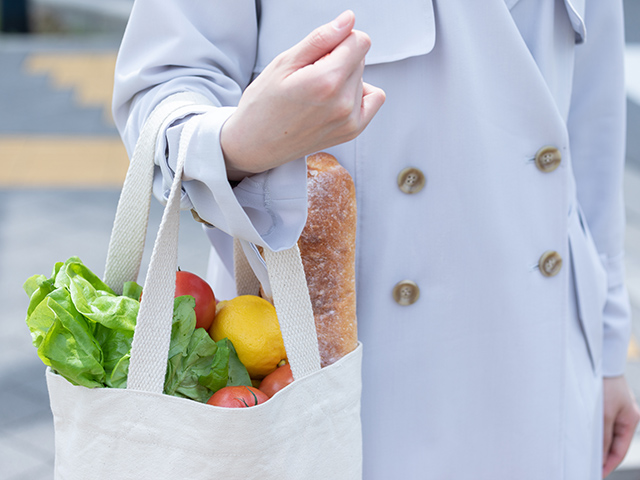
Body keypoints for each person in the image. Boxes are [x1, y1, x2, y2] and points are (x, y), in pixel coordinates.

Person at [112, 1, 640, 478]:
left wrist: (608, 346)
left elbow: (590, 126)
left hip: (546, 352)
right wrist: (238, 144)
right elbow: (162, 88)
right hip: (347, 370)